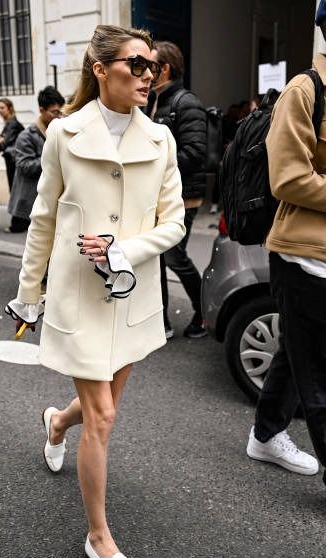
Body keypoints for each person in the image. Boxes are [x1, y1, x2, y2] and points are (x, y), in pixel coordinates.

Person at [5, 24, 185, 558]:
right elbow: (43, 220)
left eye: (153, 66)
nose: (148, 75)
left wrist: (124, 251)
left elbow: (176, 222)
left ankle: (56, 421)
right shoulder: (64, 133)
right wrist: (28, 296)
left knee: (97, 412)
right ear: (101, 69)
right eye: (137, 64)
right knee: (103, 417)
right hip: (79, 295)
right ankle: (98, 536)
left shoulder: (161, 140)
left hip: (131, 297)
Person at [245, 4, 326, 482]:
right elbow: (289, 178)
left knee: (297, 355)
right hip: (304, 256)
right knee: (317, 374)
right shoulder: (305, 90)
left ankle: (265, 433)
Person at [146, 40, 207, 339]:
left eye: (151, 65)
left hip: (184, 197)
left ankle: (205, 312)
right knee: (157, 256)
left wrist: (157, 168)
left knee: (173, 256)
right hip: (159, 196)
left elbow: (196, 152)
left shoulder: (186, 102)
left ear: (165, 68)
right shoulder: (151, 100)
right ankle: (161, 320)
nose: (145, 70)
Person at [5, 86, 65, 233]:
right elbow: (25, 166)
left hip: (54, 199)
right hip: (32, 200)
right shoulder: (26, 136)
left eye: (60, 112)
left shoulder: (61, 131)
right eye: (54, 112)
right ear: (41, 110)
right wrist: (53, 157)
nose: (59, 116)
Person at [0, 98, 24, 190]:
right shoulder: (9, 123)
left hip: (14, 162)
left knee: (14, 189)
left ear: (10, 108)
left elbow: (3, 144)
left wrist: (0, 141)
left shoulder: (13, 124)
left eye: (2, 108)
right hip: (12, 161)